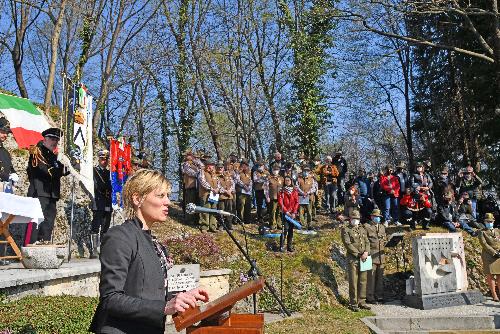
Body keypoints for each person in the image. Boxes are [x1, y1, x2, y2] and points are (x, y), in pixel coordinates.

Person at [89, 169, 209, 333]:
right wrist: (164, 307)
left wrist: (184, 296)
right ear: (137, 198)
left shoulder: (156, 244)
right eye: (161, 196)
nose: (168, 202)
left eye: (168, 195)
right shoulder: (120, 237)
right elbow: (111, 299)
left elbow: (151, 292)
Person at [27, 127, 69, 243]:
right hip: (39, 191)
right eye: (51, 138)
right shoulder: (37, 152)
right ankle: (30, 246)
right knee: (36, 221)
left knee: (48, 222)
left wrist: (73, 165)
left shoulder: (54, 157)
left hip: (52, 193)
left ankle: (44, 243)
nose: (54, 142)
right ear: (45, 139)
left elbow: (63, 171)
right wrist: (59, 171)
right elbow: (42, 171)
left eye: (56, 139)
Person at [341, 210, 370, 311]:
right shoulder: (346, 230)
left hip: (364, 257)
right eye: (354, 219)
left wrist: (366, 252)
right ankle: (353, 303)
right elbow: (348, 244)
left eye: (357, 219)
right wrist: (358, 254)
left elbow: (367, 241)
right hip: (353, 258)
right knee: (353, 281)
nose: (355, 220)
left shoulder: (362, 229)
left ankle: (362, 301)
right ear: (350, 219)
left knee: (363, 280)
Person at [90, 149, 112, 258]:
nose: (104, 161)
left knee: (105, 227)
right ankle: (94, 249)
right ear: (99, 159)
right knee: (96, 225)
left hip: (107, 202)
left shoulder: (110, 173)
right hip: (98, 201)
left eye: (106, 159)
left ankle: (103, 249)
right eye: (102, 159)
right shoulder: (93, 171)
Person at [364, 209, 387, 304]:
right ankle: (370, 297)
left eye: (379, 217)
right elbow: (365, 241)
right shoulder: (367, 227)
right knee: (371, 278)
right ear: (372, 217)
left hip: (381, 255)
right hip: (371, 255)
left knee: (380, 278)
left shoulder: (382, 227)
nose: (377, 218)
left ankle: (379, 296)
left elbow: (384, 239)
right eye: (376, 217)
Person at [478, 213, 500, 302]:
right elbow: (484, 244)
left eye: (491, 221)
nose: (489, 223)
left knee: (499, 275)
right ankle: (494, 294)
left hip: (498, 254)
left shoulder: (497, 230)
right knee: (490, 276)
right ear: (485, 222)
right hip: (488, 256)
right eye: (488, 221)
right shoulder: (482, 232)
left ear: (493, 221)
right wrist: (494, 252)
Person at [197, 160, 221, 232]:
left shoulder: (214, 174)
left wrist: (217, 189)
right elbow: (202, 181)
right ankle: (204, 227)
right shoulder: (202, 172)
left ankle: (213, 227)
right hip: (205, 194)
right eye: (211, 165)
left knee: (213, 210)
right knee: (205, 210)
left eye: (213, 165)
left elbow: (218, 183)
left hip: (214, 194)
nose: (212, 167)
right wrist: (211, 189)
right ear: (207, 165)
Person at [181, 149, 203, 223]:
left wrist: (197, 161)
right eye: (189, 155)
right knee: (190, 203)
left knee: (196, 203)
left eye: (191, 155)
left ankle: (196, 219)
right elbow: (192, 173)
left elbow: (202, 167)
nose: (191, 156)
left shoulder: (196, 163)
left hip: (197, 187)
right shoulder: (186, 164)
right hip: (190, 187)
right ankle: (189, 219)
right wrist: (199, 172)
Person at [278, 175, 299, 252]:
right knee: (285, 229)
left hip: (293, 213)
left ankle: (289, 246)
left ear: (291, 181)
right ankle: (281, 246)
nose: (287, 182)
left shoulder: (294, 190)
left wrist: (294, 212)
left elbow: (297, 202)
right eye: (286, 180)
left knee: (291, 230)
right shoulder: (282, 191)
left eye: (289, 180)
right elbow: (280, 203)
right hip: (285, 213)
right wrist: (286, 212)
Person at [0, 117, 18, 192]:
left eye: (7, 133)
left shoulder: (5, 152)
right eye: (3, 132)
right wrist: (7, 176)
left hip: (6, 189)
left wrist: (14, 174)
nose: (6, 135)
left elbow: (10, 168)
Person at [297, 165, 316, 230]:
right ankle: (303, 225)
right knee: (301, 212)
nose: (306, 172)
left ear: (309, 172)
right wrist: (302, 193)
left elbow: (314, 188)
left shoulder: (312, 179)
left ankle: (309, 224)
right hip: (301, 197)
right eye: (304, 171)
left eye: (307, 171)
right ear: (302, 171)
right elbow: (296, 187)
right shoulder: (299, 179)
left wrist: (307, 193)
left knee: (309, 212)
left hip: (309, 197)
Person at [217, 161, 234, 230]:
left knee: (229, 211)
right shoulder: (216, 176)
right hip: (221, 196)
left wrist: (230, 190)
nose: (220, 168)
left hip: (229, 196)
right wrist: (226, 191)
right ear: (217, 168)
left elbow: (233, 183)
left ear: (223, 168)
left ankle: (229, 225)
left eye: (221, 167)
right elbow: (217, 186)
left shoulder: (228, 175)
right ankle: (221, 225)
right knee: (221, 211)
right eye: (219, 167)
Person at [235, 159, 252, 224]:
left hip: (248, 192)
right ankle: (240, 220)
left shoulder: (249, 173)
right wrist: (244, 186)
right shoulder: (238, 172)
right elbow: (237, 180)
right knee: (241, 206)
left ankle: (247, 220)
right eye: (243, 165)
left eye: (246, 165)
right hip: (241, 191)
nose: (244, 167)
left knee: (248, 206)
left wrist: (249, 187)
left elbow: (251, 181)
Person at [267, 164, 283, 230]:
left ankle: (279, 223)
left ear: (279, 170)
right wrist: (267, 196)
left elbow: (283, 187)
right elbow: (266, 188)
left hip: (280, 197)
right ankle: (272, 224)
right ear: (272, 170)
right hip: (272, 197)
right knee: (272, 211)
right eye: (274, 170)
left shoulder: (281, 178)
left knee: (279, 211)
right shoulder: (269, 178)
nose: (275, 171)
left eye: (277, 170)